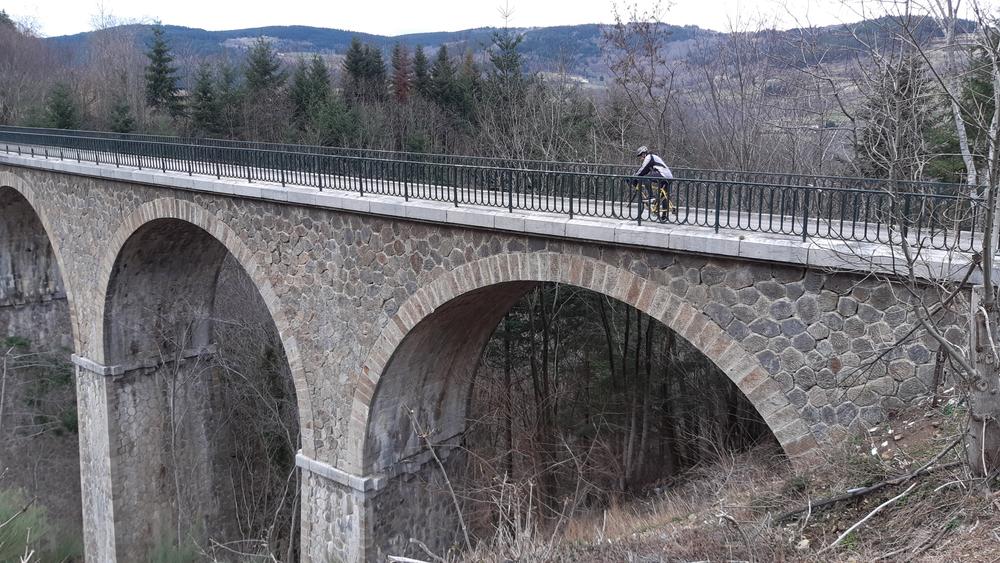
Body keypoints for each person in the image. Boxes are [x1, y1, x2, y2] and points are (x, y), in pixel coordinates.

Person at [630, 146, 674, 221]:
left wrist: (635, 177)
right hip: (668, 176)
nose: (640, 158)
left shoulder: (649, 157)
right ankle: (664, 216)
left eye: (640, 156)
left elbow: (643, 169)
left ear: (644, 154)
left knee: (646, 178)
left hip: (663, 175)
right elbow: (646, 170)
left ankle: (651, 196)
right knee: (663, 195)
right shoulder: (652, 157)